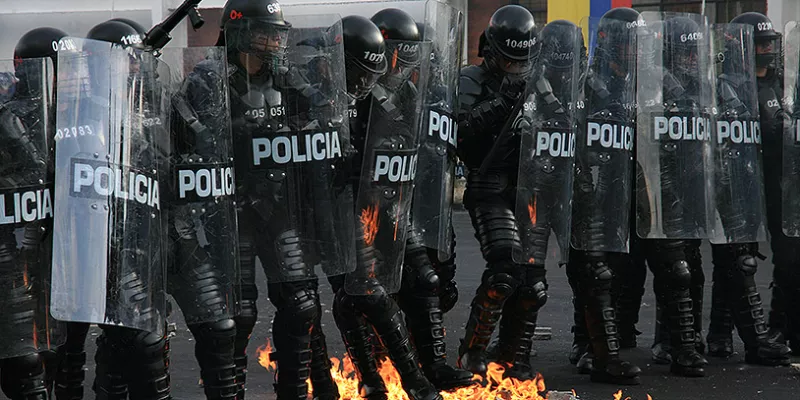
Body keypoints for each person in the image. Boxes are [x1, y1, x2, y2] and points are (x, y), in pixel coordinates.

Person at [219, 1, 344, 398]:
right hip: (234, 210)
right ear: (238, 32)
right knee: (236, 318)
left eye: (278, 33)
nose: (274, 41)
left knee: (302, 305)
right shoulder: (210, 80)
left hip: (279, 207)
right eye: (264, 32)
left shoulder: (286, 80)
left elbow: (325, 120)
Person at [51, 19, 171, 399]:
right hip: (75, 248)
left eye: (139, 60)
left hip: (128, 246)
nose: (135, 67)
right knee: (66, 347)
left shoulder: (145, 108)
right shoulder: (73, 112)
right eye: (127, 59)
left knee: (135, 340)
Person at [330, 9, 444, 400]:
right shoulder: (318, 96)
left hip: (381, 203)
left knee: (418, 282)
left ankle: (388, 376)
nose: (366, 84)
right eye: (360, 74)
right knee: (361, 293)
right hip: (333, 210)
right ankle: (407, 379)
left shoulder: (390, 95)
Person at [456, 5, 549, 381]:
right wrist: (501, 102)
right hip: (488, 185)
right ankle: (473, 349)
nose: (515, 68)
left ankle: (514, 356)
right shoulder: (470, 80)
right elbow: (460, 134)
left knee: (533, 285)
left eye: (520, 61)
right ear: (491, 52)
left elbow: (557, 123)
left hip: (529, 187)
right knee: (504, 269)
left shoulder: (536, 80)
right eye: (509, 61)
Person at [702, 18, 792, 367]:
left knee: (740, 259)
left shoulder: (782, 86)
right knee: (738, 258)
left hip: (772, 182)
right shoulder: (723, 87)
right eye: (758, 45)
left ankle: (720, 334)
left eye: (768, 44)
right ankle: (755, 340)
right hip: (733, 183)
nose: (765, 52)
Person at [567, 7, 642, 385]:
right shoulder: (588, 82)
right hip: (591, 188)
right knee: (591, 270)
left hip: (625, 187)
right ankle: (585, 344)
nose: (634, 52)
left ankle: (612, 340)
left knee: (623, 270)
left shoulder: (640, 84)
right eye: (629, 44)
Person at [635, 14, 710, 377]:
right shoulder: (655, 85)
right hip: (655, 189)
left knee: (689, 269)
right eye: (686, 53)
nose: (692, 60)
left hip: (689, 187)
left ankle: (681, 339)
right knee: (666, 270)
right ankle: (674, 345)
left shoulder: (700, 88)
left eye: (695, 53)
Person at [0, 26, 67, 400]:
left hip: (53, 251)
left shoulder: (74, 119)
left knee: (53, 353)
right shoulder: (9, 118)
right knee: (24, 361)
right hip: (13, 249)